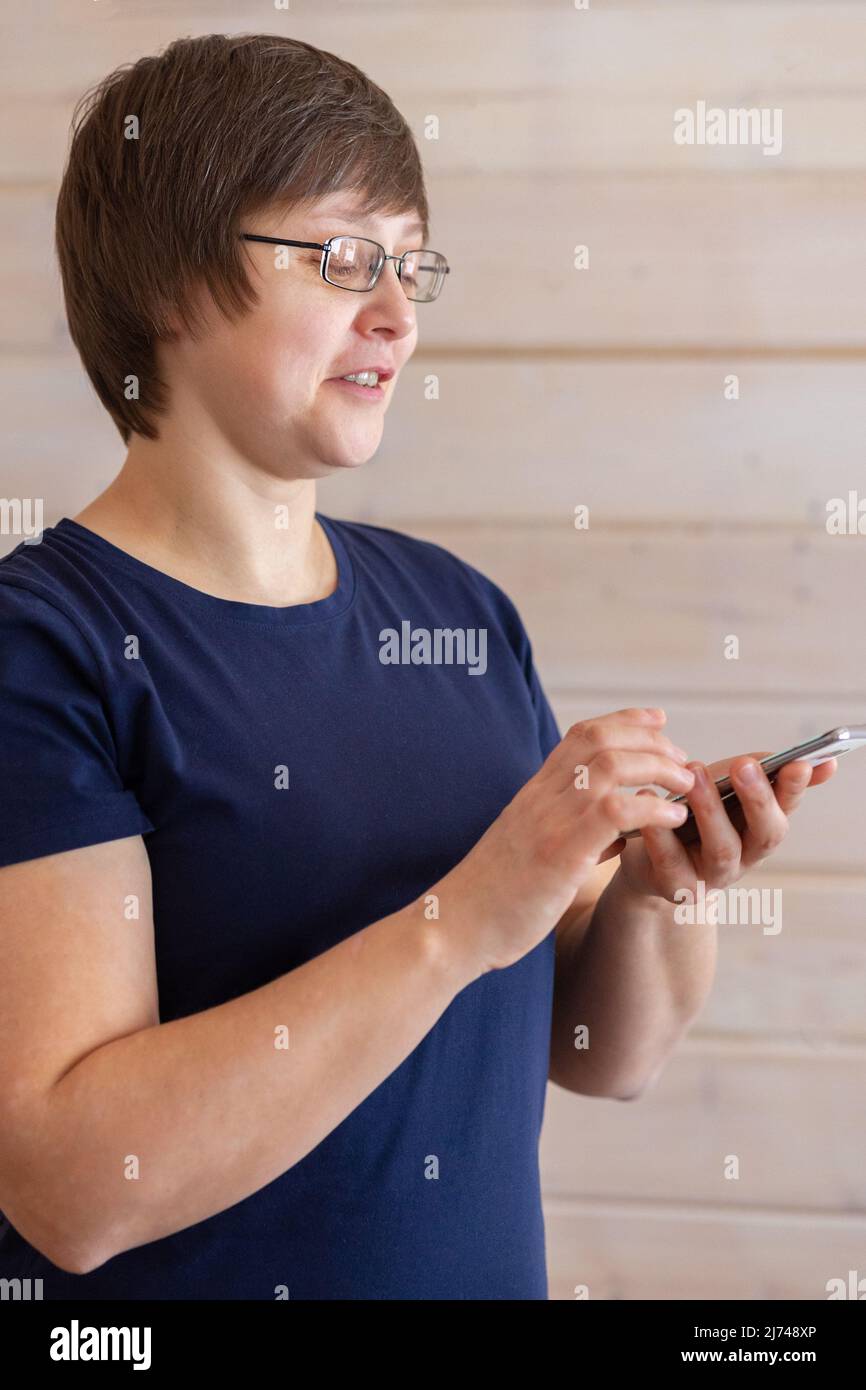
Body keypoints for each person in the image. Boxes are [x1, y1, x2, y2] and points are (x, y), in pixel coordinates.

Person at [0, 33, 835, 1301]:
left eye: (410, 266)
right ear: (170, 284)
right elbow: (70, 1182)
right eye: (342, 258)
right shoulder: (42, 645)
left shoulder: (456, 613)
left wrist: (659, 896)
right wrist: (460, 921)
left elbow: (594, 1051)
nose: (393, 312)